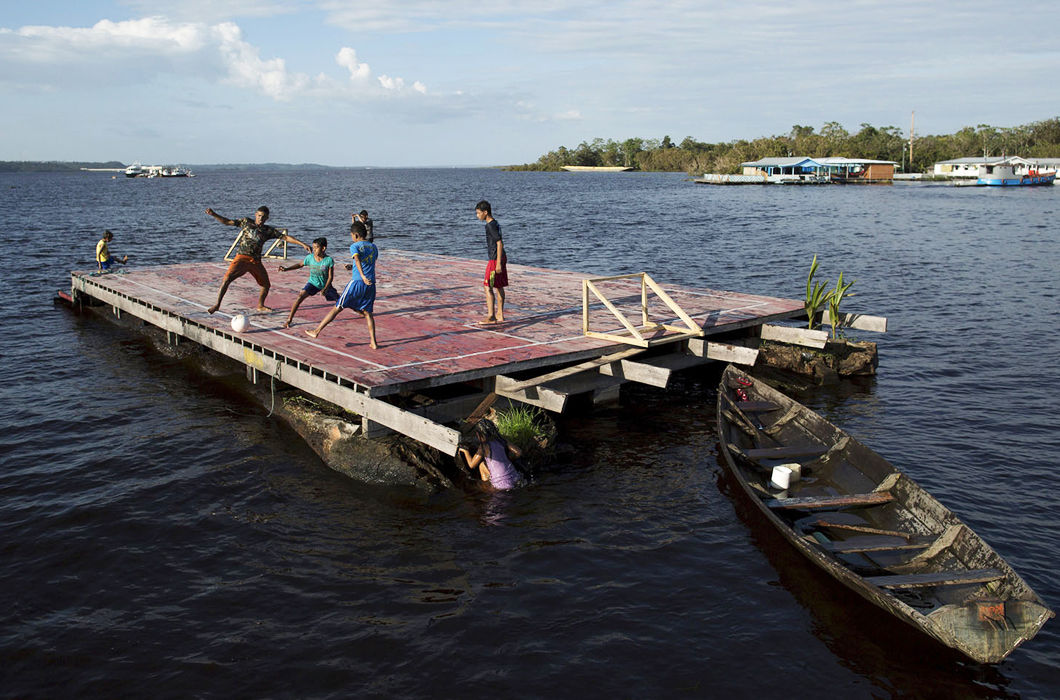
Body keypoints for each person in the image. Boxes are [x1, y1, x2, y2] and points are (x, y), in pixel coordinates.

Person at [204, 205, 310, 314]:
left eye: (263, 217)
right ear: (256, 214)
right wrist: (214, 214)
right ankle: (217, 304)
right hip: (241, 258)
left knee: (266, 285)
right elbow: (227, 222)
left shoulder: (268, 230)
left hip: (255, 261)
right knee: (226, 279)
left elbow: (286, 237)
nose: (261, 219)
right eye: (259, 216)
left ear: (267, 218)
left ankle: (260, 305)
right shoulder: (246, 222)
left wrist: (302, 244)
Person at [305, 221, 379, 348]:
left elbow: (357, 259)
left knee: (338, 307)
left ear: (355, 235)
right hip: (371, 283)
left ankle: (316, 331)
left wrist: (361, 276)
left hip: (357, 282)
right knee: (368, 313)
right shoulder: (374, 247)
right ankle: (373, 342)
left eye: (351, 235)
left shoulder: (354, 246)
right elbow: (367, 263)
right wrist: (353, 268)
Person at [277, 237, 339, 328]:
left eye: (316, 248)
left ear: (323, 248)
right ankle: (289, 320)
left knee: (341, 301)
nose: (314, 250)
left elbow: (330, 277)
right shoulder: (310, 258)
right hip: (313, 284)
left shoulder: (328, 260)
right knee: (300, 296)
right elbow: (299, 265)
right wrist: (286, 269)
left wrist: (325, 288)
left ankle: (361, 311)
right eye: (313, 248)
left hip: (325, 285)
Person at [459, 420, 523, 490]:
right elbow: (518, 452)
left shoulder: (484, 446)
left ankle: (487, 488)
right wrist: (508, 459)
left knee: (481, 466)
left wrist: (465, 451)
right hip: (515, 477)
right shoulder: (501, 440)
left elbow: (472, 465)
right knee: (484, 464)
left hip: (500, 485)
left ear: (479, 434)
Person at [474, 200, 507, 323]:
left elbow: (499, 243)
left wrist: (498, 262)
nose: (477, 216)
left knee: (488, 286)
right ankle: (500, 314)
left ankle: (491, 316)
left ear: (485, 212)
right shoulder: (495, 223)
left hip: (494, 259)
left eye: (478, 213)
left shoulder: (489, 225)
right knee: (499, 286)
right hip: (501, 257)